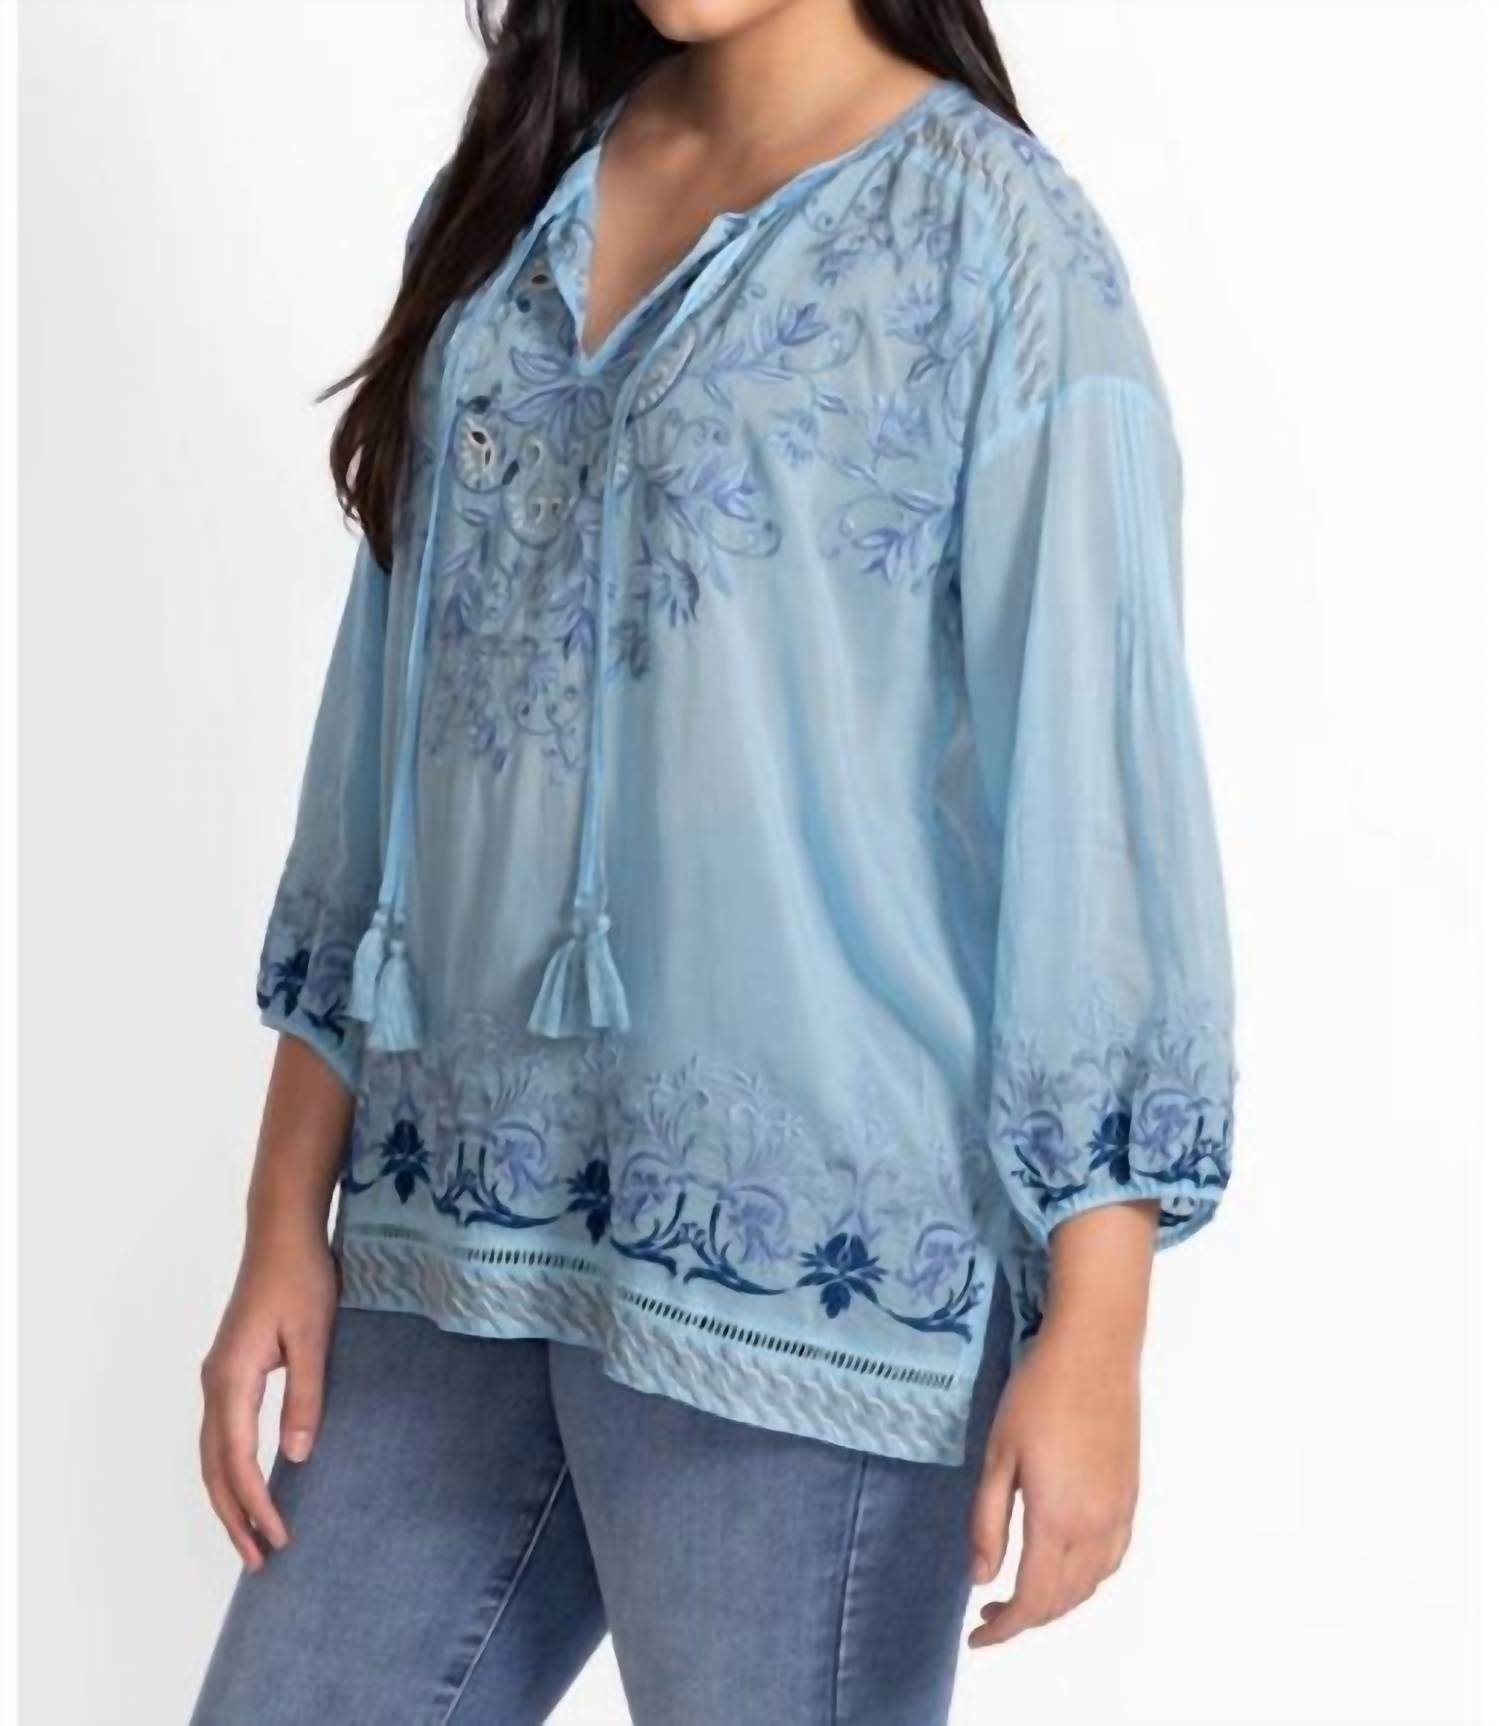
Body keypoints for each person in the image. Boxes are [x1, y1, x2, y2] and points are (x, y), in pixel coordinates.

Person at [190, 2, 1237, 1721]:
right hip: (450, 1240)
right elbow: (381, 741)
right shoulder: (521, 189)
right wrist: (279, 1216)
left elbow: (1099, 792)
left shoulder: (999, 245)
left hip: (812, 1285)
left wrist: (1099, 1326)